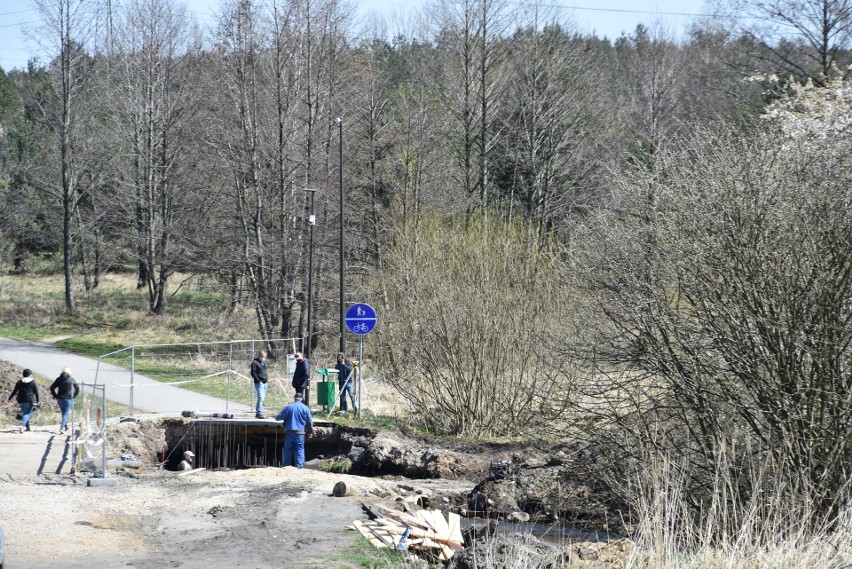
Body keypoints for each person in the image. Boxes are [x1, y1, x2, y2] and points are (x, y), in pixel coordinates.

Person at [275, 393, 313, 468]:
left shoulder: (289, 407)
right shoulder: (305, 408)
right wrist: (310, 431)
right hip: (300, 433)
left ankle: (287, 466)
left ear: (294, 398)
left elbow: (278, 418)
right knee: (299, 449)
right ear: (302, 399)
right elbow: (309, 421)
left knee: (288, 449)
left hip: (289, 433)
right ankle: (299, 467)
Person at [50, 367, 80, 435]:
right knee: (65, 414)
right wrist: (74, 396)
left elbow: (52, 388)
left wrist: (55, 395)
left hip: (60, 399)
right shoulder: (71, 379)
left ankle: (66, 427)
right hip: (68, 399)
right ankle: (62, 427)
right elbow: (77, 388)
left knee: (64, 413)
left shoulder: (59, 379)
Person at [250, 351, 269, 419]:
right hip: (259, 383)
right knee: (260, 398)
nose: (264, 358)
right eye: (262, 357)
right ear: (259, 356)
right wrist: (258, 380)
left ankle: (258, 413)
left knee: (262, 398)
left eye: (265, 357)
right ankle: (259, 413)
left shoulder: (263, 363)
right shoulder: (255, 363)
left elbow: (264, 371)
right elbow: (253, 372)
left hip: (265, 382)